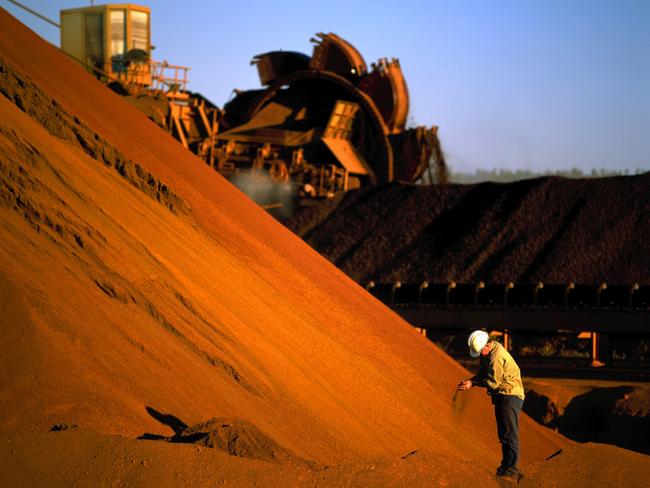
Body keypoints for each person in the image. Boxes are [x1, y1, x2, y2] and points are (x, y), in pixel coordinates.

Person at [457, 330, 525, 482]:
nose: (480, 355)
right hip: (502, 395)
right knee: (504, 434)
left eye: (481, 351)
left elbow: (492, 382)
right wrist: (471, 380)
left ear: (486, 345)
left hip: (510, 395)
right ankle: (506, 467)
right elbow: (484, 372)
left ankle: (511, 471)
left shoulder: (496, 357)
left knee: (509, 434)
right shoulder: (489, 351)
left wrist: (472, 383)